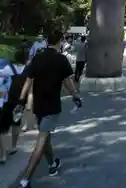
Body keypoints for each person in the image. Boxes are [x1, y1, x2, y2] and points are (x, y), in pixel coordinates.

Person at [14, 30, 82, 187]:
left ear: (47, 41)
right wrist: (75, 96)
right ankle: (25, 179)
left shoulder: (37, 58)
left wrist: (21, 100)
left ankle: (52, 165)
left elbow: (28, 81)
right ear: (59, 42)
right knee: (42, 140)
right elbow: (67, 81)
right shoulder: (61, 59)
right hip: (52, 106)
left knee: (45, 138)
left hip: (39, 105)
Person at [0, 48, 28, 163]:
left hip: (8, 101)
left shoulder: (9, 69)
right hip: (21, 101)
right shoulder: (27, 70)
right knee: (16, 123)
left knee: (2, 127)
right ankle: (14, 146)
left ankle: (3, 153)